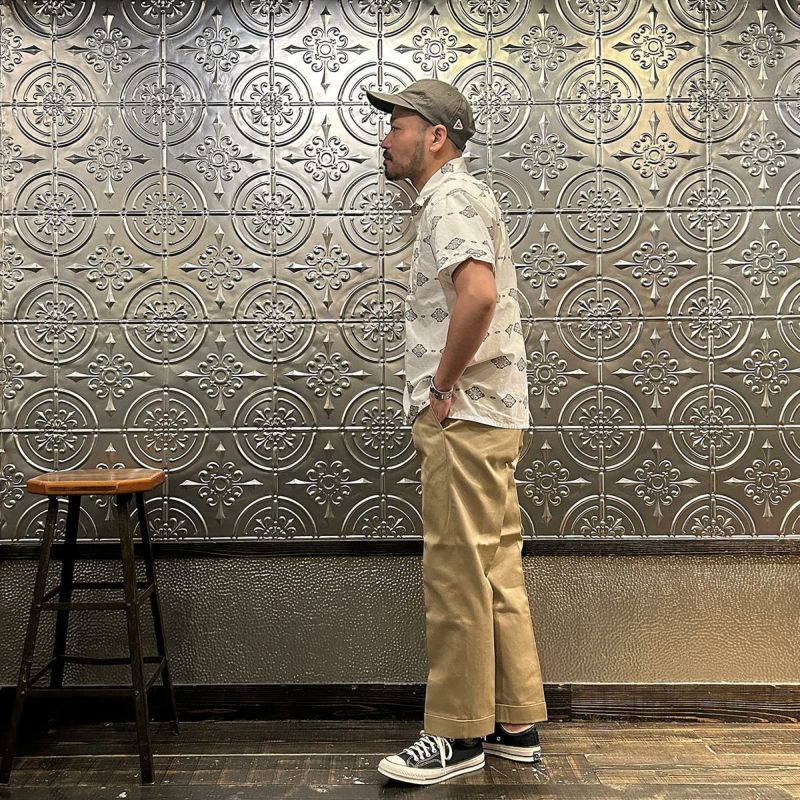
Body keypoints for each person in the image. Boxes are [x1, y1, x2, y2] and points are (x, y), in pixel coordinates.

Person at [365, 79, 548, 786]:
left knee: (456, 574)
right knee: (495, 567)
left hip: (464, 416)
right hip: (493, 415)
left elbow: (478, 296)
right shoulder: (464, 197)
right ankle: (513, 724)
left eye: (398, 126)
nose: (386, 139)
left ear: (435, 136)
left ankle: (457, 734)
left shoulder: (448, 199)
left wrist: (440, 388)